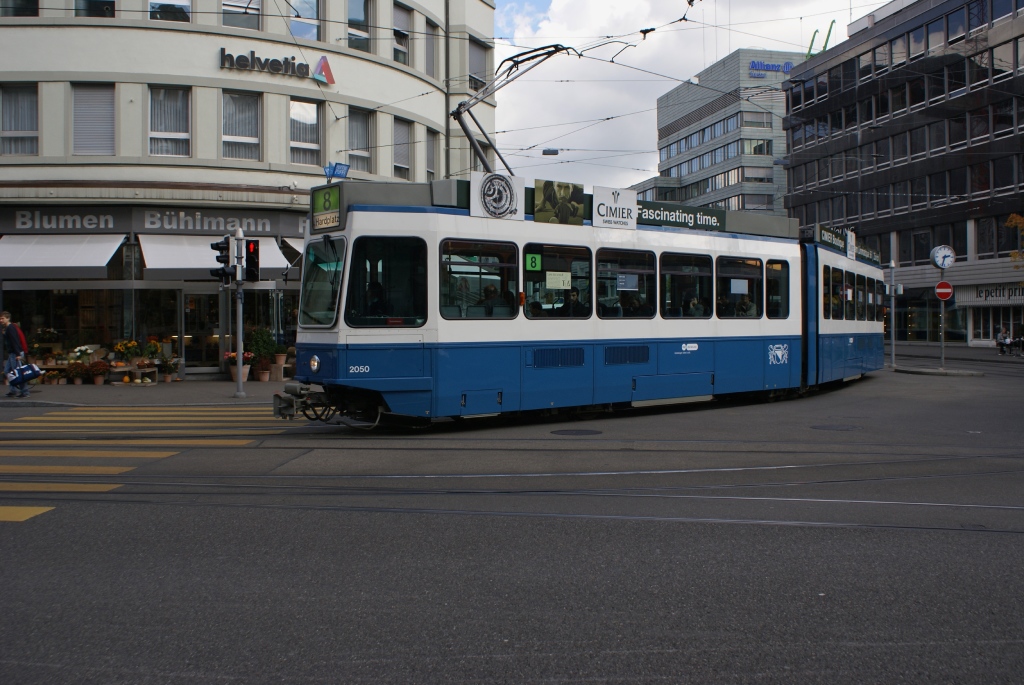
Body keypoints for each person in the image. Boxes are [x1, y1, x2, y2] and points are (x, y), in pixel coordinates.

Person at [1, 311, 29, 398]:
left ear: (8, 318)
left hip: (15, 353)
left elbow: (15, 341)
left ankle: (24, 392)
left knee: (17, 373)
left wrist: (18, 354)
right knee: (7, 371)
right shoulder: (8, 328)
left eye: (2, 318)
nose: (0, 320)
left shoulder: (10, 328)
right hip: (13, 353)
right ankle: (13, 391)